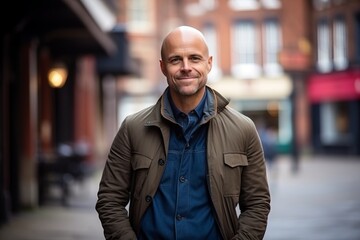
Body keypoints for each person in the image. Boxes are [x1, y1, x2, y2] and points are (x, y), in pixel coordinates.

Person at [96, 25, 271, 240]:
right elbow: (109, 199)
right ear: (162, 67)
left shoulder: (243, 129)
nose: (186, 67)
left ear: (209, 64)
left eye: (195, 58)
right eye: (175, 59)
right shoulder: (132, 128)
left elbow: (257, 205)